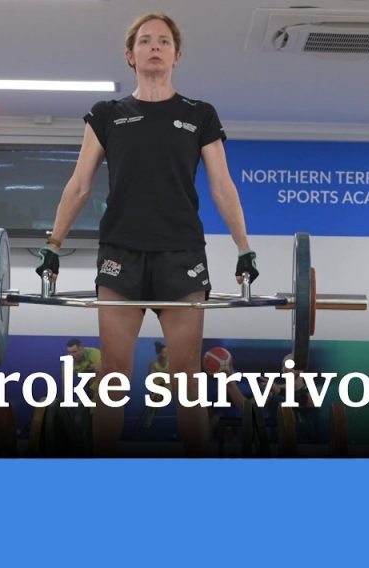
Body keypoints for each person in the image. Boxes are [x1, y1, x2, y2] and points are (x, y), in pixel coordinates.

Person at [35, 12, 258, 456]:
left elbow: (222, 187)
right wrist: (53, 245)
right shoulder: (107, 115)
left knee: (187, 378)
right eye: (145, 41)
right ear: (130, 55)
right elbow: (79, 185)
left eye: (163, 41)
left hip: (181, 254)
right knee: (113, 375)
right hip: (121, 254)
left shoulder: (199, 115)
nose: (154, 47)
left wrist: (244, 248)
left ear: (177, 55)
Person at [138, 341, 169, 429]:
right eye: (163, 352)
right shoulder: (152, 364)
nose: (166, 354)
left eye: (167, 352)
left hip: (166, 386)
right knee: (156, 399)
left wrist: (164, 384)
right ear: (159, 353)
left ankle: (152, 413)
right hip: (155, 385)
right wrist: (156, 389)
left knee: (158, 400)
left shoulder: (171, 364)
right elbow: (151, 377)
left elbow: (171, 377)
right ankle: (151, 413)